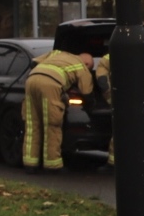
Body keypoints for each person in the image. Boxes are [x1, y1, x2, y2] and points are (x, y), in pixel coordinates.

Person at [22, 28, 96, 171]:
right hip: (51, 85)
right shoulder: (81, 66)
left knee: (32, 124)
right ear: (87, 64)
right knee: (52, 125)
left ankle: (30, 164)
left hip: (31, 80)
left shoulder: (57, 53)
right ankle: (52, 165)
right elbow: (87, 92)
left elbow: (33, 62)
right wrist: (92, 106)